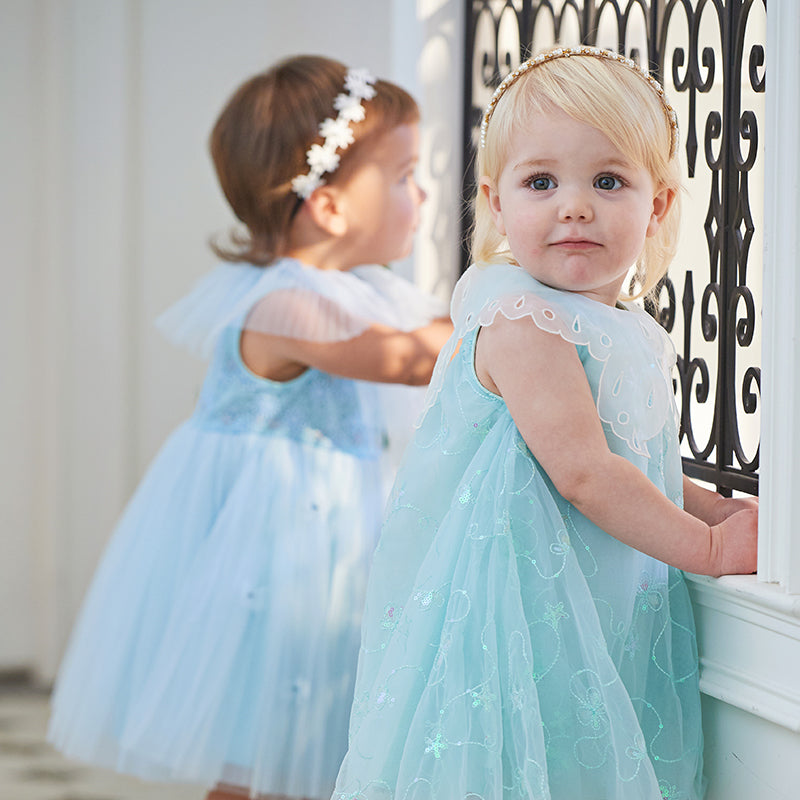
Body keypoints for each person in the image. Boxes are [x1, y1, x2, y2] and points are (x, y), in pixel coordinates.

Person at [331, 46, 758, 800]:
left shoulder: (615, 323)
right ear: (496, 204)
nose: (574, 205)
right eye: (541, 182)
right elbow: (584, 472)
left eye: (607, 181)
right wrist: (712, 546)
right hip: (523, 618)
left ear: (657, 205)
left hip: (595, 602)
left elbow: (629, 454)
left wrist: (709, 501)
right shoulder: (524, 320)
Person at [47, 54, 452, 800]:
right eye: (402, 177)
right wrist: (513, 311)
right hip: (275, 561)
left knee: (329, 741)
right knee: (262, 749)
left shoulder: (371, 290)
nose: (422, 191)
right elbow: (407, 362)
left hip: (343, 543)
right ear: (329, 207)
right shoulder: (283, 304)